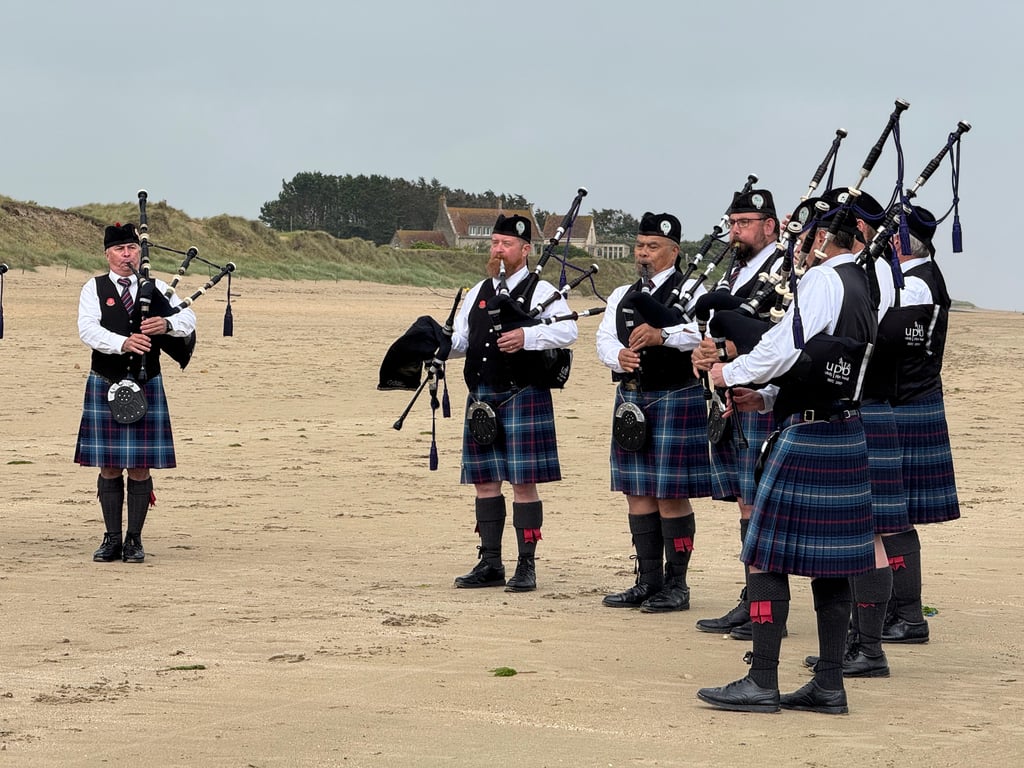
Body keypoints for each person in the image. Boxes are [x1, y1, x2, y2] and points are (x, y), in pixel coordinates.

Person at [696, 204, 876, 715]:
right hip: (842, 429)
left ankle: (762, 680)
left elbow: (785, 347)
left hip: (808, 439)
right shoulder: (863, 285)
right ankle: (830, 685)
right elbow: (831, 363)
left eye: (804, 236)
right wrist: (771, 397)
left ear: (823, 238)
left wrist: (729, 375)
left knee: (764, 557)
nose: (798, 245)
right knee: (833, 567)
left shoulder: (823, 281)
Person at [448, 214, 578, 593]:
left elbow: (568, 329)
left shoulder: (542, 291)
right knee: (484, 482)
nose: (498, 250)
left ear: (526, 249)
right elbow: (462, 341)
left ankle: (526, 565)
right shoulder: (477, 291)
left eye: (505, 244)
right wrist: (436, 347)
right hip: (482, 397)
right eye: (494, 243)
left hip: (524, 395)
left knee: (523, 484)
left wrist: (527, 335)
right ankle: (490, 562)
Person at [596, 212, 713, 613]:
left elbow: (705, 333)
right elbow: (604, 338)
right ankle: (648, 580)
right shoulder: (622, 294)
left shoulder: (694, 289)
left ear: (674, 251)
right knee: (637, 493)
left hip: (675, 397)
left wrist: (664, 335)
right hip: (631, 399)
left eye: (653, 247)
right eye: (641, 246)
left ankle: (677, 585)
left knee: (670, 496)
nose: (644, 254)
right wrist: (619, 355)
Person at [75, 222, 196, 563]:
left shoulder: (156, 288)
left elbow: (189, 318)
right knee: (110, 466)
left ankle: (134, 541)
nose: (126, 254)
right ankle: (111, 539)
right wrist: (123, 342)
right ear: (107, 254)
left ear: (139, 252)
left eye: (131, 248)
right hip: (106, 381)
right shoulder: (94, 288)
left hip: (146, 382)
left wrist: (167, 324)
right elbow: (87, 329)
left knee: (140, 466)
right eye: (119, 249)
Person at [692, 189, 783, 640]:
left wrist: (726, 349)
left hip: (763, 394)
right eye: (732, 223)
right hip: (732, 392)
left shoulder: (787, 270)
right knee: (746, 502)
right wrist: (705, 350)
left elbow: (779, 332)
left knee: (761, 503)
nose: (736, 231)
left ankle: (766, 608)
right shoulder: (736, 268)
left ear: (770, 224)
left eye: (744, 222)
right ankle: (753, 600)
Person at [881, 204, 960, 644]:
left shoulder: (913, 286)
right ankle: (899, 611)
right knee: (892, 514)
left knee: (892, 515)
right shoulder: (917, 278)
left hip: (905, 404)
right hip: (911, 402)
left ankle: (907, 615)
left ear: (896, 242)